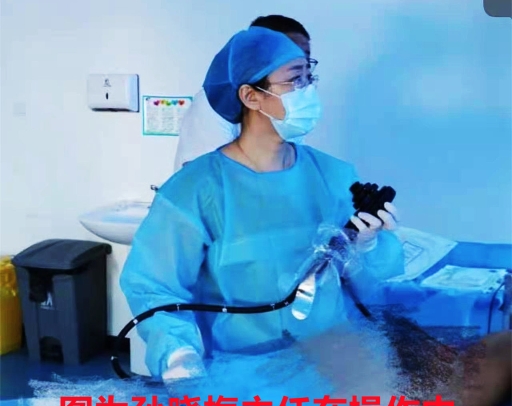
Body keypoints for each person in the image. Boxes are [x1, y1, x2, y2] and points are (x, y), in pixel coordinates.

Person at [120, 25, 404, 382]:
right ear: (251, 97)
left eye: (309, 78)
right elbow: (154, 287)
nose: (308, 90)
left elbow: (372, 284)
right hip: (243, 372)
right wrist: (178, 355)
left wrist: (368, 247)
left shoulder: (334, 176)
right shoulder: (195, 191)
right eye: (295, 80)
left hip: (332, 361)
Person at [173, 15, 318, 172]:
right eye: (287, 53)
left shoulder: (290, 111)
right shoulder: (214, 103)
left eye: (305, 57)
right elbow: (205, 174)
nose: (298, 62)